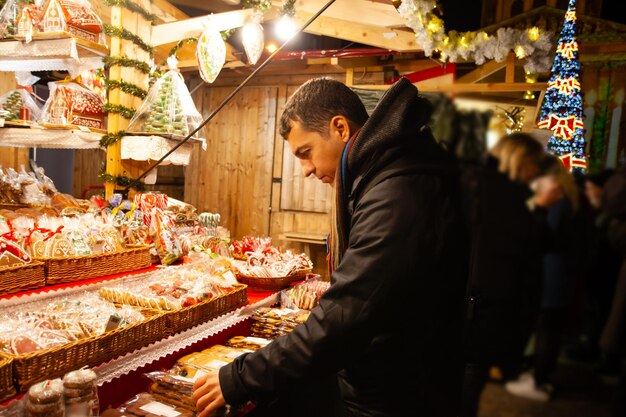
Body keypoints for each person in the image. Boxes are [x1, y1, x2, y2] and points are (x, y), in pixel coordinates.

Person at [193, 76, 470, 417]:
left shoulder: (397, 192)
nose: (306, 170)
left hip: (402, 392)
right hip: (397, 379)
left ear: (340, 128)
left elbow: (346, 315)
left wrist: (238, 377)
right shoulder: (384, 174)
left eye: (305, 153)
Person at [460, 133, 563, 417]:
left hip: (474, 304)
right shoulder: (500, 193)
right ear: (521, 161)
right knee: (469, 381)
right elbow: (529, 245)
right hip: (481, 307)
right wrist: (540, 209)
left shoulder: (481, 184)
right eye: (534, 165)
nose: (535, 173)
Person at [505, 154, 583, 401]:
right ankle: (541, 377)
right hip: (561, 271)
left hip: (551, 271)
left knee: (546, 327)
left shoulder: (555, 199)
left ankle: (539, 382)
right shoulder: (569, 195)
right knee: (550, 326)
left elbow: (543, 235)